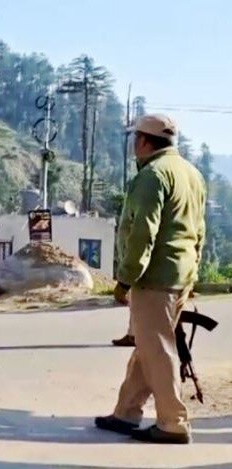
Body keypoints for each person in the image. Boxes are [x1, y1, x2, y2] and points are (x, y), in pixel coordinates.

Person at [95, 114, 206, 445]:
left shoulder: (152, 176)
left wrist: (126, 279)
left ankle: (173, 422)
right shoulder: (192, 174)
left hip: (154, 277)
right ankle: (127, 412)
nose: (134, 144)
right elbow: (199, 230)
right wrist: (193, 269)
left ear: (143, 142)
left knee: (157, 349)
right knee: (149, 344)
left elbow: (143, 232)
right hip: (180, 274)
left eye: (135, 138)